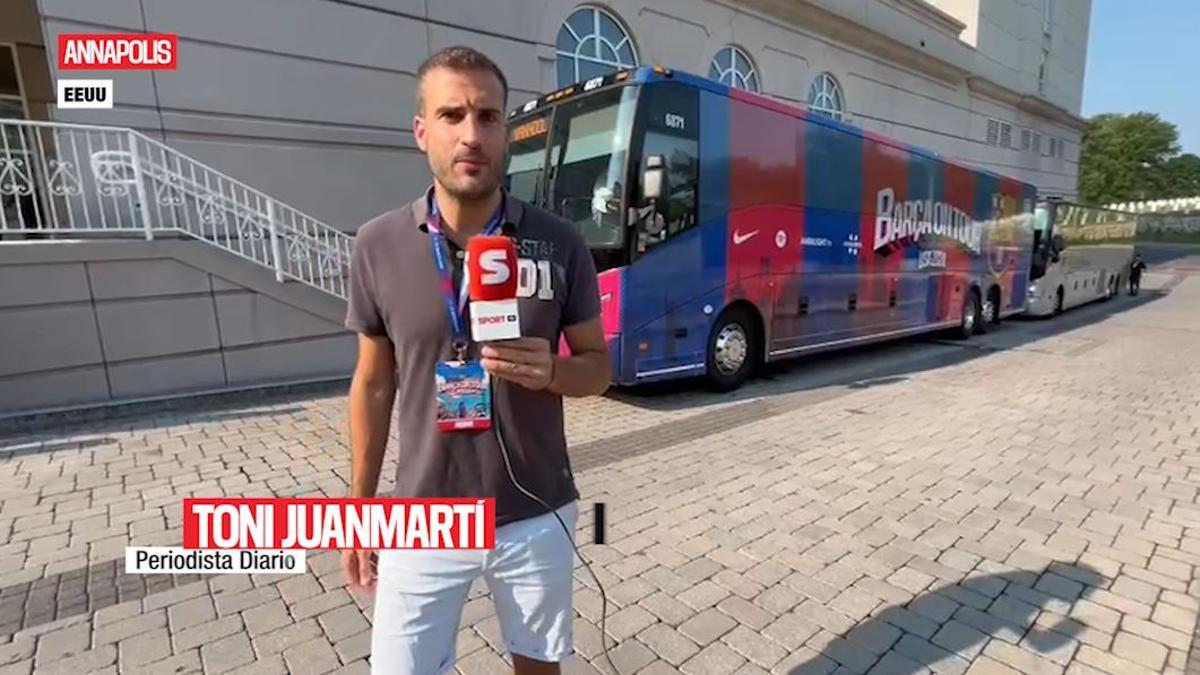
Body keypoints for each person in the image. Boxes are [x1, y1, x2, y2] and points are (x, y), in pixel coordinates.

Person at [341, 46, 611, 675]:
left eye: (488, 117)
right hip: (424, 515)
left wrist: (554, 371)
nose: (471, 134)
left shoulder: (560, 242)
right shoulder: (377, 244)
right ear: (421, 131)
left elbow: (599, 369)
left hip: (536, 511)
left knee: (539, 668)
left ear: (506, 133)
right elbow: (373, 385)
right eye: (452, 114)